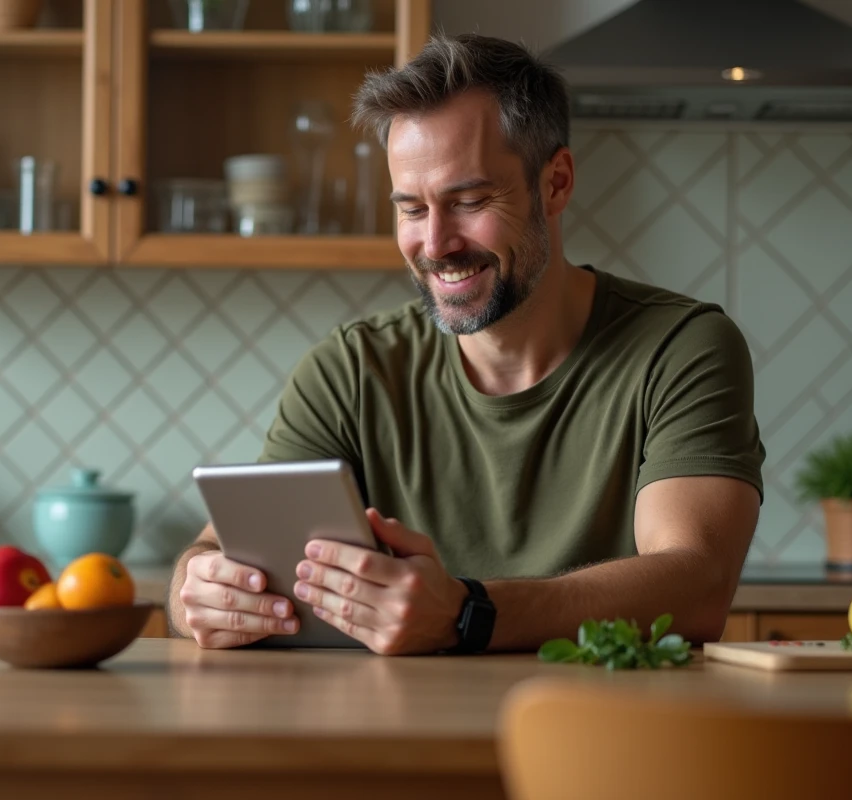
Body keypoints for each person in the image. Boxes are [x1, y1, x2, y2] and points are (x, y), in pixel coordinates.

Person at [167, 32, 766, 656]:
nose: (435, 243)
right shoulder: (351, 369)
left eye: (470, 201)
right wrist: (199, 591)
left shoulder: (681, 348)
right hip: (398, 744)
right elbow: (217, 552)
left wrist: (467, 612)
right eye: (411, 209)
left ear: (555, 183)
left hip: (604, 742)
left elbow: (696, 583)